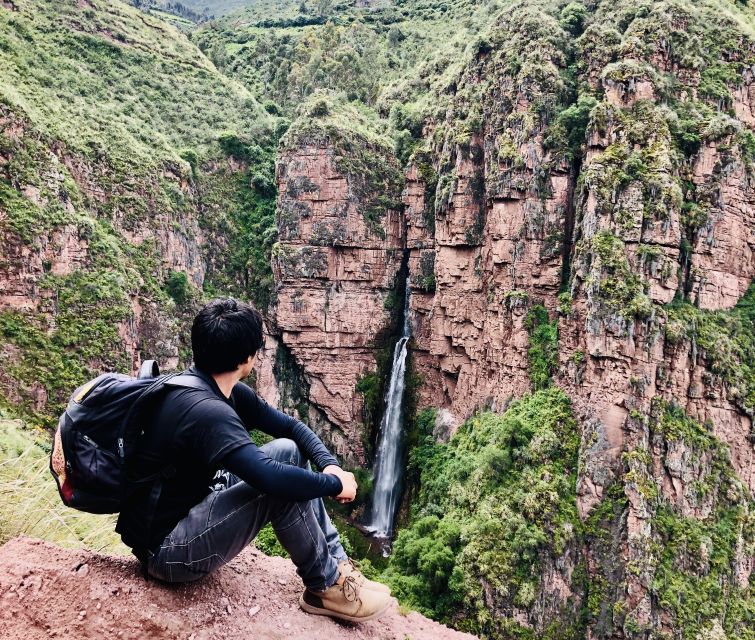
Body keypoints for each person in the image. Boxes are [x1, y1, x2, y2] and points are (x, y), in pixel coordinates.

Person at [116, 298, 392, 622]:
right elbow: (270, 478)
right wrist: (333, 485)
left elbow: (290, 427)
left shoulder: (217, 389)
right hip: (166, 551)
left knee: (288, 450)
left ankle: (338, 565)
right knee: (279, 485)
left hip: (187, 511)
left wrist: (330, 464)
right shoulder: (208, 413)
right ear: (248, 358)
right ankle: (325, 586)